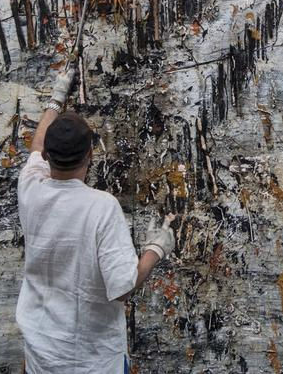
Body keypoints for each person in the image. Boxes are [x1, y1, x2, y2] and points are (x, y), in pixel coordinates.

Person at [16, 65, 175, 373]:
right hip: (91, 361)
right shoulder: (101, 207)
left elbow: (36, 146)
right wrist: (157, 249)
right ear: (91, 154)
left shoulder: (30, 188)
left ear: (48, 156)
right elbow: (123, 287)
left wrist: (56, 99)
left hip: (41, 354)